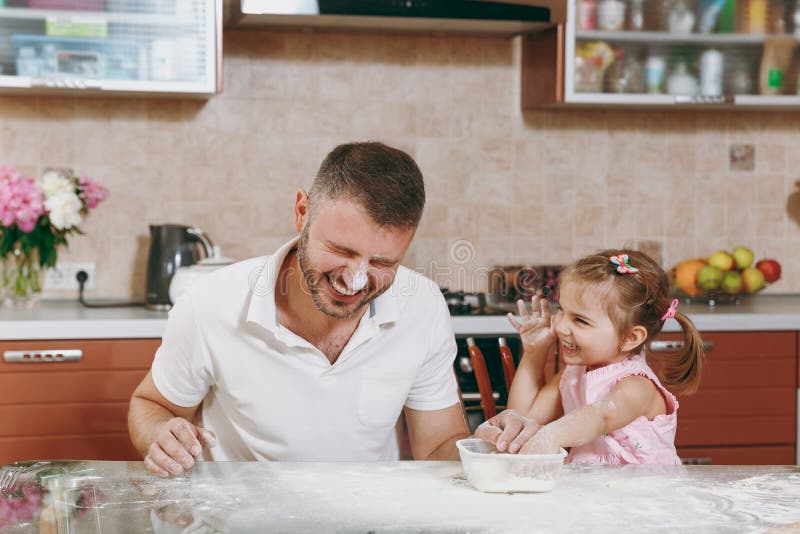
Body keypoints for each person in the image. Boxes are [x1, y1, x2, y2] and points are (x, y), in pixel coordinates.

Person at [129, 141, 470, 476]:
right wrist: (159, 435)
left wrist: (490, 450)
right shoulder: (210, 302)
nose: (355, 280)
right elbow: (151, 406)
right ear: (302, 212)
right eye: (342, 251)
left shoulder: (422, 305)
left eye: (382, 262)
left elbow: (439, 445)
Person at [475, 250, 705, 464]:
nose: (561, 326)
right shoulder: (573, 374)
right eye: (562, 310)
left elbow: (601, 416)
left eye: (580, 320)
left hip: (646, 499)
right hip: (594, 495)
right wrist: (535, 353)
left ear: (630, 337)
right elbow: (524, 418)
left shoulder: (637, 385)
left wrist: (551, 435)